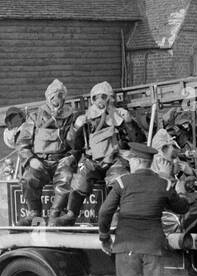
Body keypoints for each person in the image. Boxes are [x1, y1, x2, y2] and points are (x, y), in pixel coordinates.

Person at [97, 143, 191, 276]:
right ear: (150, 163)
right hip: (153, 249)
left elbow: (105, 211)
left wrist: (104, 237)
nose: (129, 162)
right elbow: (182, 208)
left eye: (131, 159)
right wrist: (181, 187)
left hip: (126, 248)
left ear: (137, 162)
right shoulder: (164, 184)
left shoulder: (122, 182)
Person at [53, 81, 141, 226]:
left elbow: (136, 140)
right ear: (92, 99)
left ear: (110, 98)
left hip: (114, 159)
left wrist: (130, 123)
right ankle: (71, 214)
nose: (100, 101)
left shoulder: (119, 116)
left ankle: (116, 216)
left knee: (119, 180)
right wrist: (76, 128)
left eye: (104, 96)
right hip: (91, 160)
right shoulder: (85, 119)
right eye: (96, 97)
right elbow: (74, 144)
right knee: (80, 179)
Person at [15, 79, 78, 224]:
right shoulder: (34, 116)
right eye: (54, 96)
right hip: (40, 161)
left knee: (66, 177)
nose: (57, 99)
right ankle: (34, 213)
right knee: (28, 178)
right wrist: (31, 159)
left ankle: (55, 215)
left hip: (61, 160)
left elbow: (77, 144)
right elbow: (22, 142)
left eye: (61, 95)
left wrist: (71, 156)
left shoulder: (71, 116)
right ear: (48, 97)